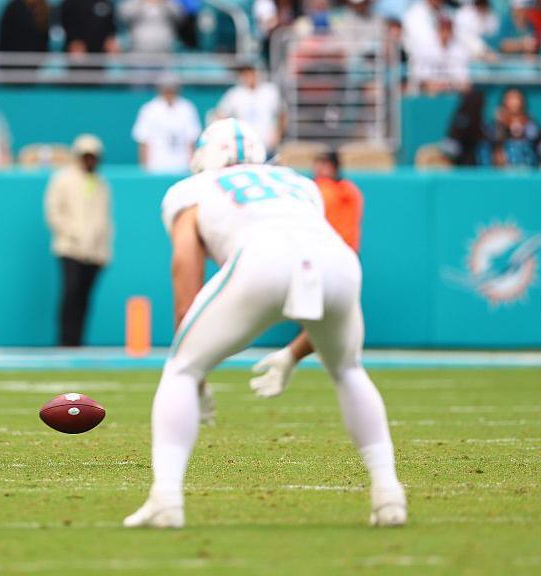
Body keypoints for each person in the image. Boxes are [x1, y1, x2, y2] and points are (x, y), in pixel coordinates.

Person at [123, 119, 405, 529]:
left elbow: (186, 258)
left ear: (205, 157)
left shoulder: (193, 188)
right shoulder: (300, 184)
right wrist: (293, 355)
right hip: (338, 261)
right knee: (347, 369)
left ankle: (166, 497)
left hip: (262, 258)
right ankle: (388, 494)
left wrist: (192, 357)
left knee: (180, 369)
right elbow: (308, 266)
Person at [248, 151, 363, 398]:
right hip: (335, 261)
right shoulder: (328, 190)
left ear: (333, 167)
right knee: (325, 320)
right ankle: (304, 352)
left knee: (326, 318)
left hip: (325, 257)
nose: (319, 170)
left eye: (323, 165)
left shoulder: (332, 191)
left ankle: (304, 352)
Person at [44, 134, 113, 347]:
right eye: (86, 156)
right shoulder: (63, 179)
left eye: (93, 157)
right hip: (69, 248)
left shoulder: (101, 184)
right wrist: (72, 233)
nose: (90, 161)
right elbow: (53, 211)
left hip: (93, 252)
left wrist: (104, 250)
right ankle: (65, 340)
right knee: (70, 294)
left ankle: (78, 340)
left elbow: (105, 219)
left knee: (84, 297)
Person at [132, 75, 202, 173]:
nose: (169, 92)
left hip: (182, 166)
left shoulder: (187, 108)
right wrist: (145, 168)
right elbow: (143, 140)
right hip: (156, 166)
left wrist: (192, 166)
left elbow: (191, 141)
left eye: (172, 89)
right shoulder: (149, 109)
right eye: (166, 89)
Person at [211, 62, 285, 154]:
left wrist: (277, 136)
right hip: (245, 148)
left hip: (267, 146)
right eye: (244, 73)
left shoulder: (270, 90)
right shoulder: (235, 94)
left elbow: (282, 114)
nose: (247, 76)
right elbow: (219, 115)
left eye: (249, 72)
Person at [408, 16, 470, 94]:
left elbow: (462, 76)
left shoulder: (458, 48)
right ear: (438, 30)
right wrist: (435, 84)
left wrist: (449, 85)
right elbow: (420, 75)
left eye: (448, 30)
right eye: (443, 29)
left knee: (467, 89)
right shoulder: (425, 46)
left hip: (451, 87)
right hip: (427, 88)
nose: (446, 33)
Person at [489, 87, 541, 168]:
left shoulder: (532, 127)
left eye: (516, 98)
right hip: (503, 175)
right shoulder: (496, 127)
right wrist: (499, 125)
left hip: (529, 174)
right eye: (510, 98)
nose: (514, 102)